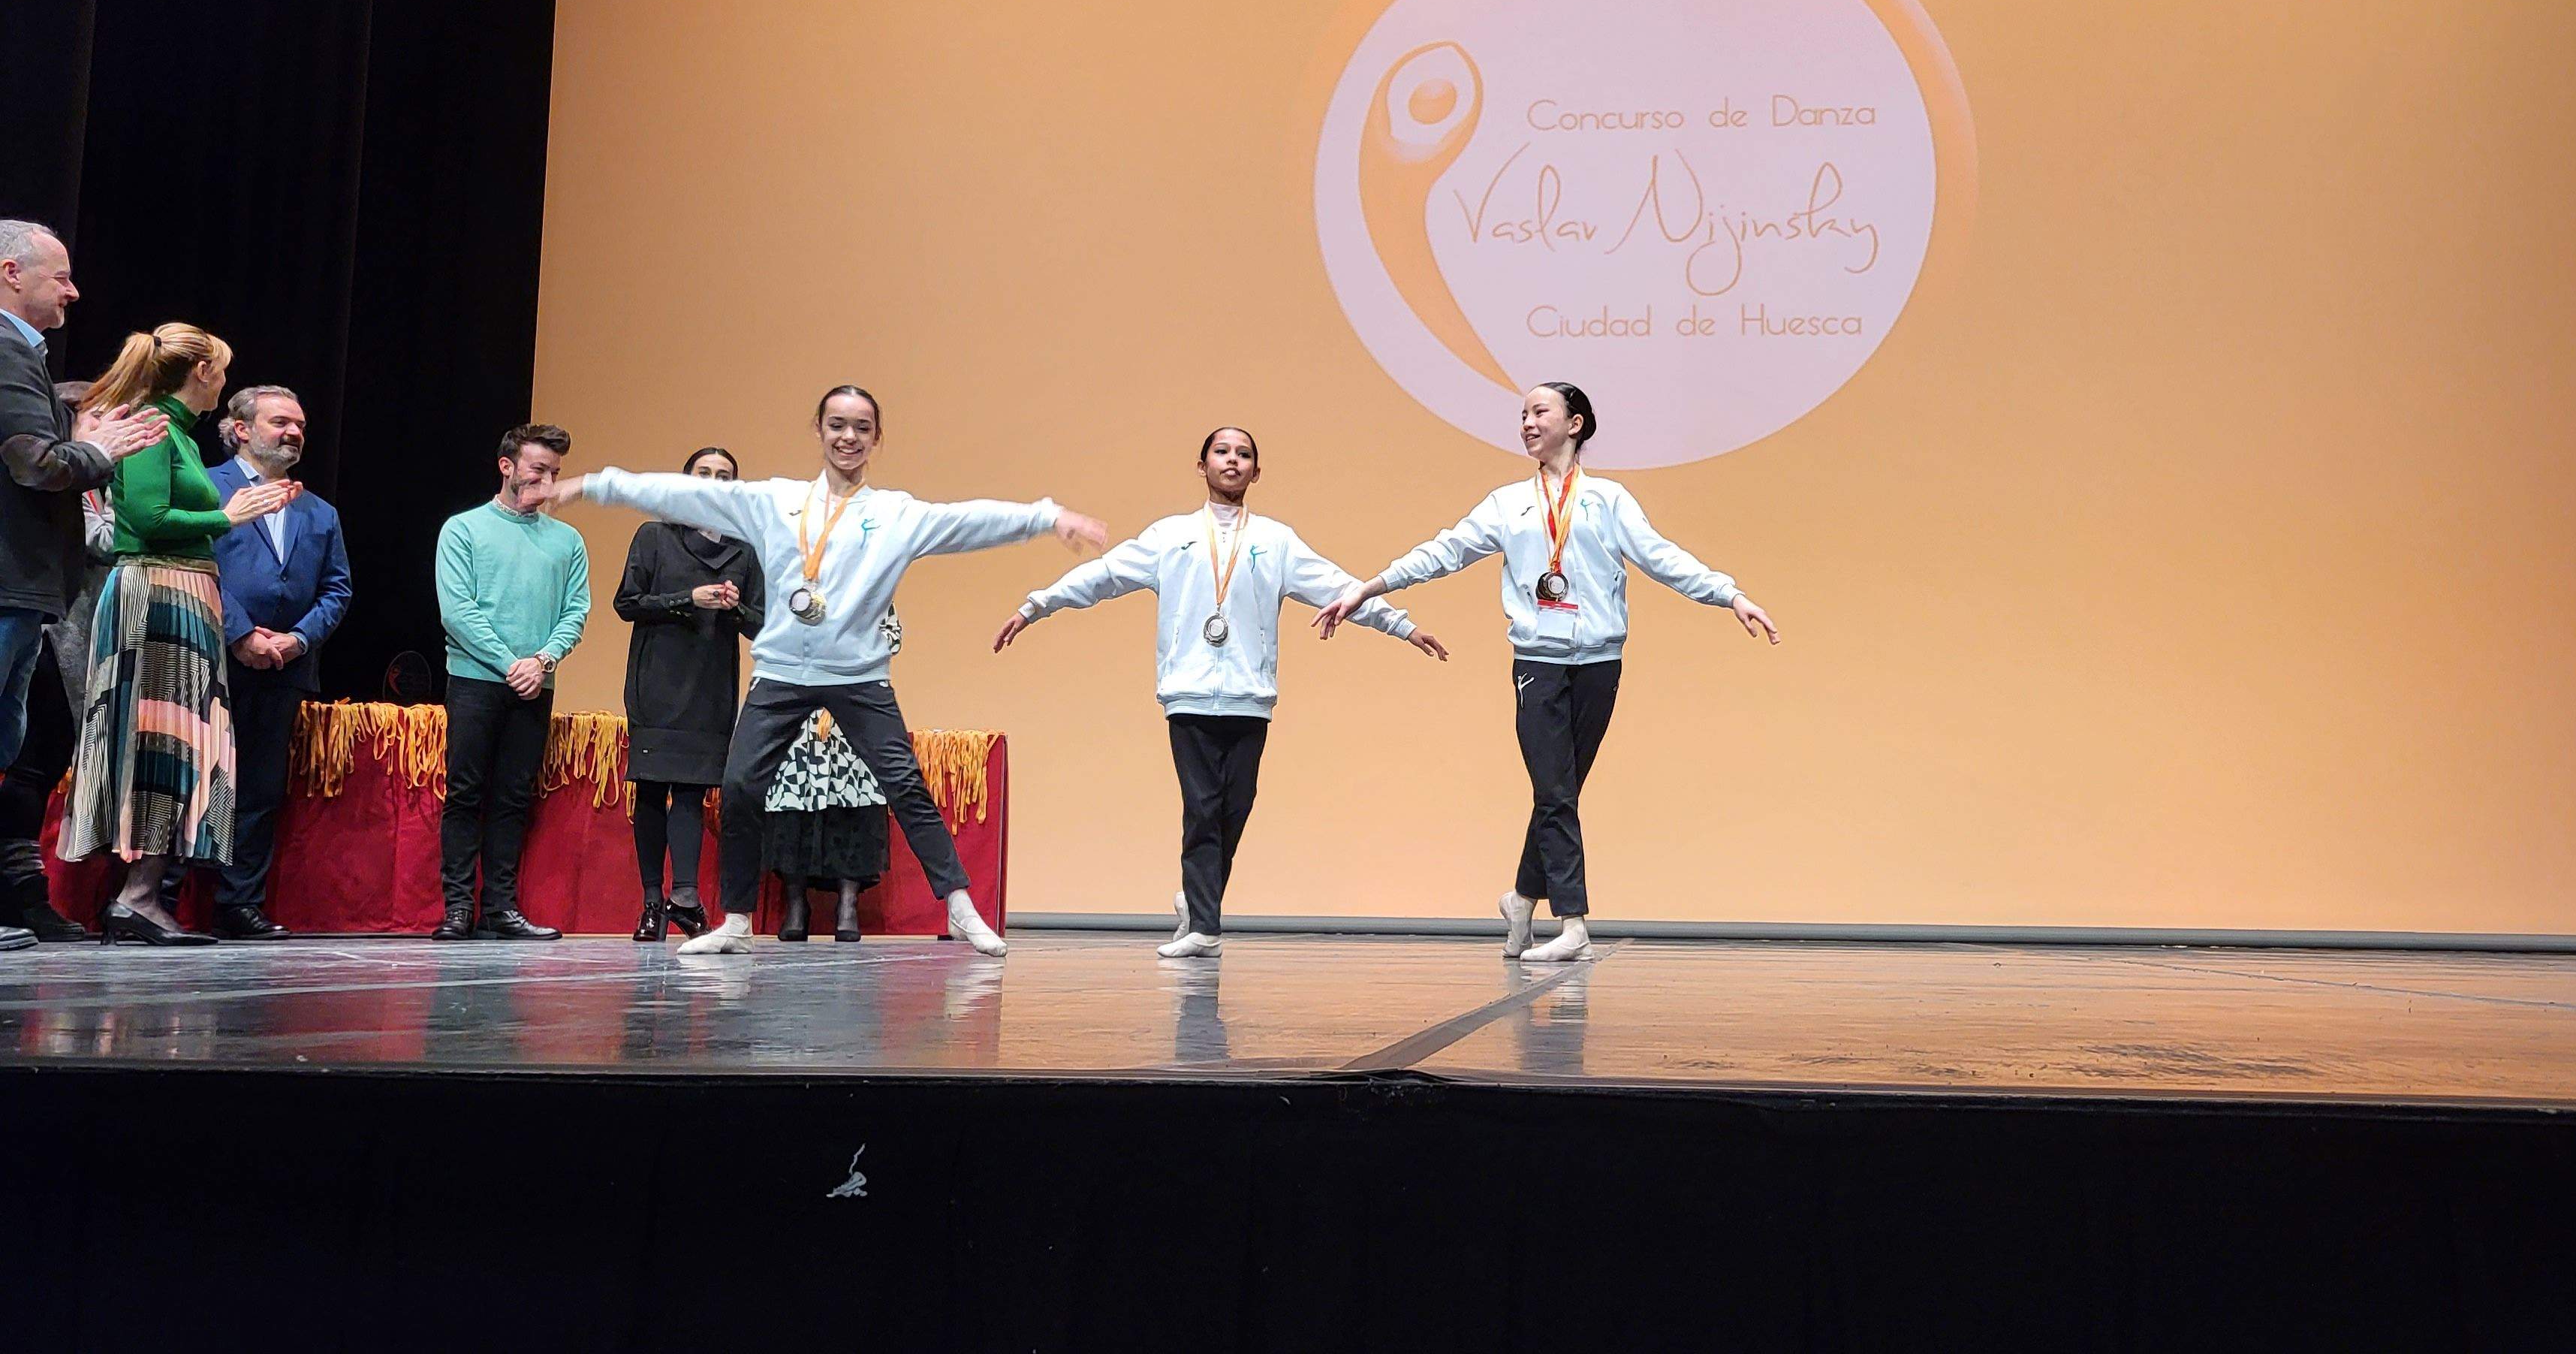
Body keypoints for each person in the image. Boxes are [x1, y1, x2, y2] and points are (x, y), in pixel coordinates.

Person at [554, 384, 1107, 957]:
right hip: (781, 673)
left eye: (862, 428)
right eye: (838, 425)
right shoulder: (776, 502)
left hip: (857, 676)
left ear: (876, 438)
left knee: (905, 785)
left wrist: (1048, 516)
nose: (849, 437)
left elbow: (970, 521)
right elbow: (683, 494)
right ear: (818, 431)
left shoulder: (894, 515)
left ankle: (961, 907)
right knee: (740, 786)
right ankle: (737, 921)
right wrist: (596, 485)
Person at [1315, 382, 1779, 963]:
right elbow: (1444, 551)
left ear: (1575, 424)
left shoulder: (1608, 500)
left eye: (1540, 412)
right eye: (1523, 415)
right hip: (1539, 662)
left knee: (1559, 792)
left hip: (1600, 663)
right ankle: (1573, 924)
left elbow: (1661, 557)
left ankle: (1519, 898)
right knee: (1556, 793)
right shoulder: (1507, 504)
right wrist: (1371, 587)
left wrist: (1730, 595)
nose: (1528, 423)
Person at [997, 427, 1447, 957]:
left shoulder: (1276, 541)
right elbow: (1104, 576)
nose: (1232, 460)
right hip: (1188, 694)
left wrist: (1402, 626)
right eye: (1222, 452)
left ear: (1256, 471)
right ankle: (1205, 929)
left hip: (1250, 697)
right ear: (1202, 465)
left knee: (1235, 809)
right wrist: (1036, 605)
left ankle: (1197, 901)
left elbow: (1338, 586)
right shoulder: (1171, 536)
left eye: (1244, 454)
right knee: (1202, 807)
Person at [58, 324, 298, 946]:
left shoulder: (180, 435)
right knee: (158, 744)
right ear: (201, 373)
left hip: (184, 592)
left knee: (183, 746)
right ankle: (135, 898)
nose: (224, 380)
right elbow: (146, 517)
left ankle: (140, 897)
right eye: (222, 369)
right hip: (157, 592)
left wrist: (233, 515)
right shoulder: (152, 427)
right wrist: (228, 514)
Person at [1, 221, 170, 952]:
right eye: (61, 276)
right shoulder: (7, 348)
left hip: (34, 601)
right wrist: (97, 452)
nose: (73, 291)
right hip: (22, 596)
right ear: (12, 272)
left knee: (16, 751)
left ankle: (18, 897)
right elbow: (35, 464)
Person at [432, 422, 589, 942]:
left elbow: (575, 612)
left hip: (535, 684)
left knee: (513, 797)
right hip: (476, 682)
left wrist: (541, 661)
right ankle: (458, 908)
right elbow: (458, 612)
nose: (548, 482)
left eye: (555, 473)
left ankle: (500, 908)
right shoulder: (463, 529)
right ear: (507, 466)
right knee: (466, 793)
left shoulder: (567, 540)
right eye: (538, 469)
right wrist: (510, 663)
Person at [206, 385, 351, 940]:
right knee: (193, 777)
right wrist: (241, 633)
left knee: (260, 790)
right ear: (241, 429)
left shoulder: (320, 511)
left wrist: (297, 640)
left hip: (284, 669)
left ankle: (239, 904)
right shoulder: (205, 487)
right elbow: (195, 564)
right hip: (212, 657)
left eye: (301, 426)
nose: (294, 433)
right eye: (281, 422)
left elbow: (336, 590)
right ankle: (163, 898)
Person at [614, 445, 763, 942]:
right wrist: (688, 599)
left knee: (692, 794)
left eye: (724, 476)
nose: (713, 482)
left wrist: (735, 607)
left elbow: (760, 624)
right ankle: (651, 903)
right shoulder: (655, 536)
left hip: (709, 684)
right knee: (651, 788)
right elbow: (628, 602)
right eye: (704, 473)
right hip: (657, 680)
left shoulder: (744, 549)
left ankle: (685, 898)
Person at [0, 378, 125, 945]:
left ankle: (25, 891)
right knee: (28, 761)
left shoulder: (102, 484)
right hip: (49, 628)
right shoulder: (62, 479)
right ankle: (23, 893)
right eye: (101, 419)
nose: (117, 431)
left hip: (81, 635)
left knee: (44, 760)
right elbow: (101, 540)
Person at [764, 608, 902, 943]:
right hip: (797, 704)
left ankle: (848, 905)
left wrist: (848, 649)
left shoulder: (869, 587)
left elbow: (892, 636)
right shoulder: (793, 587)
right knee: (792, 805)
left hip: (854, 705)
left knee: (854, 806)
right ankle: (797, 906)